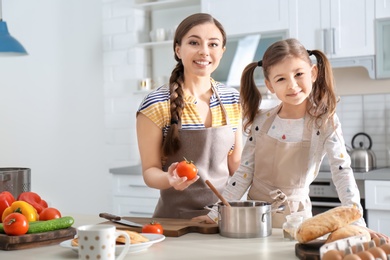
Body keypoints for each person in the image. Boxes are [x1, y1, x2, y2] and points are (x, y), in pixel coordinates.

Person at [196, 38, 389, 241]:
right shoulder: (262, 120)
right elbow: (244, 172)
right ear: (270, 85)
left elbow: (342, 172)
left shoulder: (324, 122)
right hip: (254, 219)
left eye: (299, 74)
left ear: (313, 73)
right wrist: (216, 213)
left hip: (297, 222)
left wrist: (357, 221)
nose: (292, 85)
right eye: (281, 79)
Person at [136, 13, 243, 219]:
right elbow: (150, 171)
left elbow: (235, 165)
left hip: (222, 219)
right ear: (178, 49)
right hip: (174, 221)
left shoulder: (232, 99)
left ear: (222, 51)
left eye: (213, 44)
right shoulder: (156, 103)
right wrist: (170, 179)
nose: (204, 51)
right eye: (194, 42)